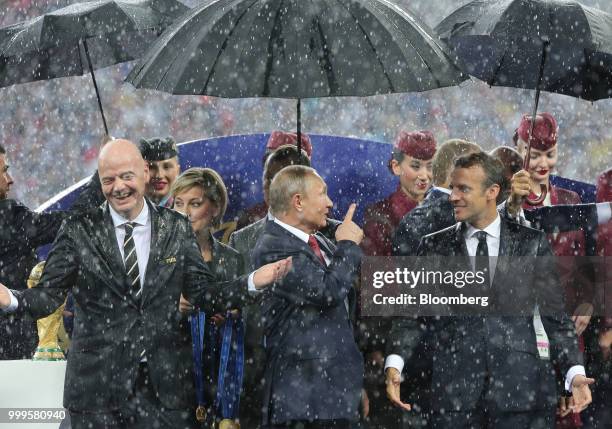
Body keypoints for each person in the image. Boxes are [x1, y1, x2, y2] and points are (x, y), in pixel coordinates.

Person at [0, 139, 291, 429]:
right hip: (96, 394)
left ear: (145, 172)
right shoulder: (77, 229)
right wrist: (12, 299)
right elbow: (48, 295)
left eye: (126, 176)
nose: (118, 187)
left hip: (164, 394)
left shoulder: (175, 227)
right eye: (108, 180)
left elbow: (203, 293)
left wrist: (253, 281)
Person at [386, 152, 594, 428]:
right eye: (453, 187)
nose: (452, 196)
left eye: (464, 189)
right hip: (454, 398)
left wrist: (574, 373)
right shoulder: (434, 246)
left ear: (492, 192)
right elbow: (411, 313)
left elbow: (554, 318)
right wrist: (395, 363)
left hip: (520, 396)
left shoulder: (530, 243)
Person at [252, 165, 364, 429]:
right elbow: (327, 292)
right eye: (322, 194)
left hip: (334, 394)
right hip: (302, 400)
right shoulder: (273, 247)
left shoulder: (321, 241)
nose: (330, 203)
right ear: (298, 201)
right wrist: (347, 245)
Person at [228, 144, 311, 429]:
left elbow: (348, 315)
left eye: (281, 179)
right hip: (257, 380)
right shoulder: (241, 241)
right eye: (267, 178)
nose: (271, 186)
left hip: (318, 379)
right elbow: (236, 307)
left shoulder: (333, 237)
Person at [0, 142, 102, 359]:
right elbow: (72, 223)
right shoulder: (8, 218)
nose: (10, 179)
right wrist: (101, 177)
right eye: (4, 171)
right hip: (17, 347)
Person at [171, 167, 243, 425]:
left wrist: (235, 318)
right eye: (178, 203)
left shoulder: (233, 259)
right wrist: (173, 310)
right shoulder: (161, 257)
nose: (185, 212)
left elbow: (245, 314)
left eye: (195, 203)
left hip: (223, 380)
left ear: (215, 207)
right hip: (177, 379)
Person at [363, 130, 436, 257]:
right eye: (415, 166)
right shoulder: (380, 215)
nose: (425, 176)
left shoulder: (446, 208)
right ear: (396, 166)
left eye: (430, 167)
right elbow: (377, 271)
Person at [235, 131, 313, 231]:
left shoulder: (320, 220)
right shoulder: (249, 220)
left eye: (281, 173)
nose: (271, 184)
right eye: (269, 176)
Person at [140, 136, 181, 208]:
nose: (159, 175)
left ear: (178, 171)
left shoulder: (187, 211)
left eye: (167, 167)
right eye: (151, 167)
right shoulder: (127, 208)